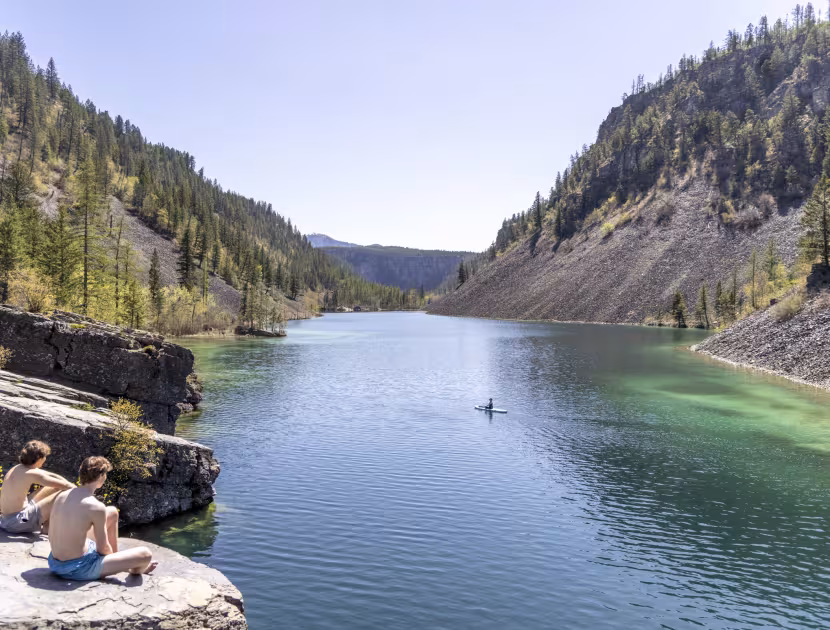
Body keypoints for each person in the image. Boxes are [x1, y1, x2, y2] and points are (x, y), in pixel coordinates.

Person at [47, 456, 157, 580]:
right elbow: (103, 549)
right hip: (78, 568)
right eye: (105, 475)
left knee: (112, 512)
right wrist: (120, 563)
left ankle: (116, 557)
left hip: (54, 563)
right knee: (145, 554)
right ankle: (130, 567)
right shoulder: (95, 506)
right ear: (100, 477)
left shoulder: (62, 495)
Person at [0, 441, 74, 534]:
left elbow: (50, 475)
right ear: (39, 459)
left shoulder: (18, 467)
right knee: (63, 493)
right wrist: (84, 493)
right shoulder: (32, 474)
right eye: (45, 456)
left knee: (56, 487)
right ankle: (47, 528)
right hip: (16, 522)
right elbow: (67, 486)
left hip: (6, 519)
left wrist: (66, 482)